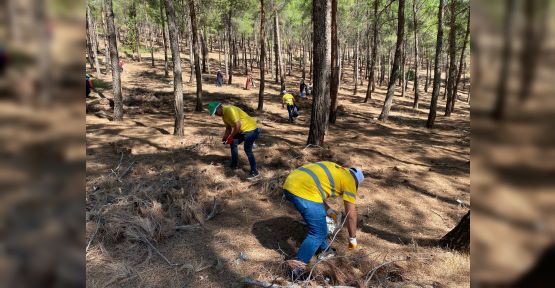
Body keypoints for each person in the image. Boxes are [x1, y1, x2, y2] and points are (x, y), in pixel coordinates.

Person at [282, 161, 364, 279]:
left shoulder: (337, 169)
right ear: (356, 182)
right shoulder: (350, 181)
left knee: (319, 224)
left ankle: (325, 251)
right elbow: (351, 215)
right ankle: (295, 269)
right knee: (318, 232)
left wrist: (329, 211)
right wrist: (352, 239)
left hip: (290, 183)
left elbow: (318, 188)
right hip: (303, 190)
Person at [208, 102, 261, 179]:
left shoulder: (230, 110)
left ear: (219, 107)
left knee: (247, 150)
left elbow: (238, 125)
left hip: (251, 130)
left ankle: (255, 172)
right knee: (232, 143)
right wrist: (225, 137)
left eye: (215, 112)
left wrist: (231, 136)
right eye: (214, 114)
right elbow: (228, 128)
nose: (216, 115)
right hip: (242, 131)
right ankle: (234, 165)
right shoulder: (224, 116)